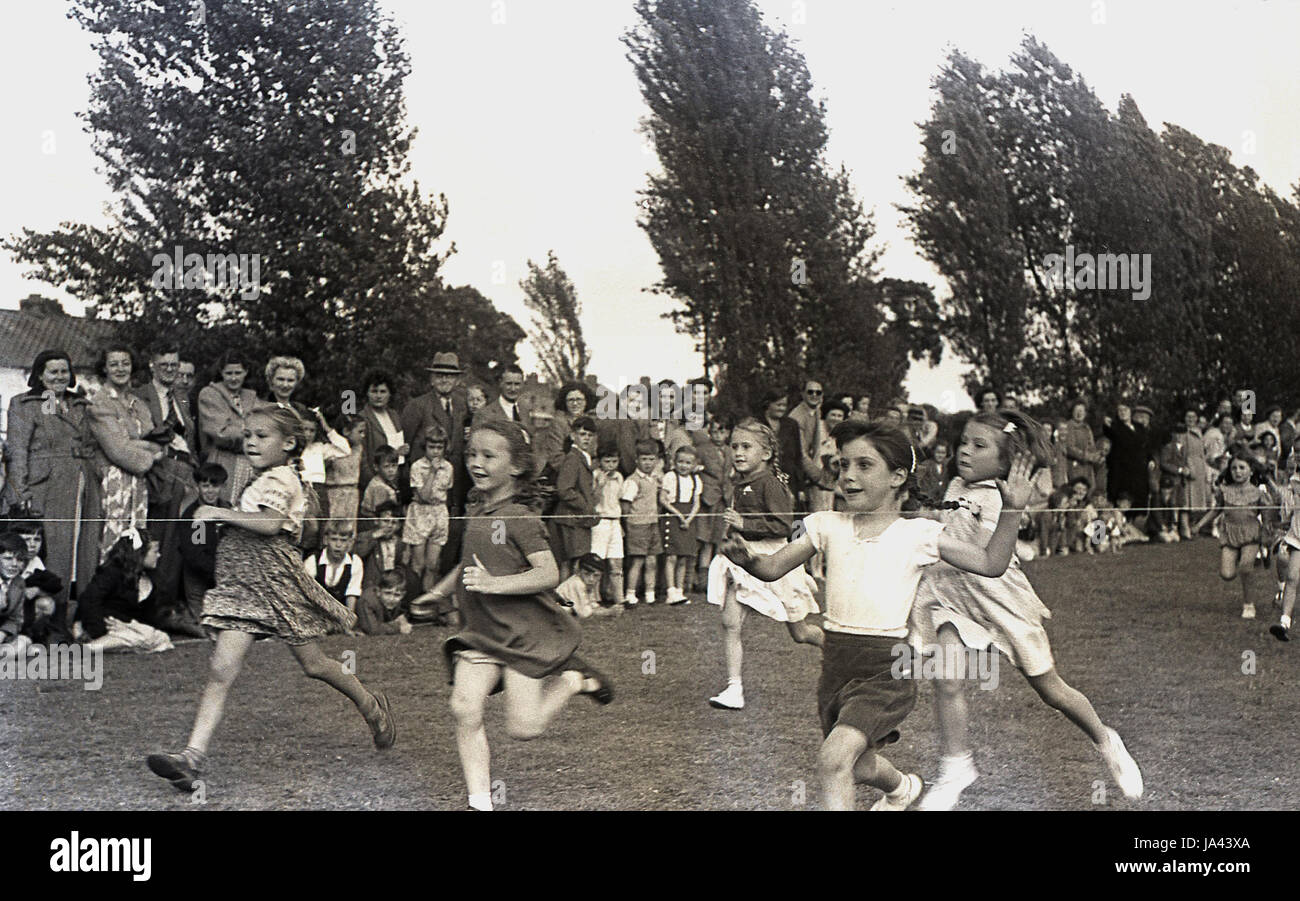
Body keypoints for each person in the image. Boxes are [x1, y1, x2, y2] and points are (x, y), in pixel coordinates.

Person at [721, 418, 1035, 809]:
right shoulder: (824, 525)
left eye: (864, 466)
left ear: (897, 477)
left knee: (833, 759)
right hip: (835, 671)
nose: (848, 476)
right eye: (843, 466)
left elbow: (990, 562)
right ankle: (903, 788)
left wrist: (1013, 510)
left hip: (886, 672)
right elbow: (771, 569)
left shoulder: (919, 534)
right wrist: (746, 558)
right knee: (859, 765)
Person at [146, 404, 394, 793]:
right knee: (220, 670)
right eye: (247, 436)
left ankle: (370, 705)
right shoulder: (260, 476)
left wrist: (217, 512)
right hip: (244, 586)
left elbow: (270, 523)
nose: (251, 442)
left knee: (315, 664)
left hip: (276, 584)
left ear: (289, 443)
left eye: (262, 436)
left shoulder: (283, 478)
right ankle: (191, 758)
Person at [914, 410, 1143, 809]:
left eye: (978, 446)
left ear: (1005, 463)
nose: (965, 451)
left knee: (1051, 689)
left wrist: (1001, 511)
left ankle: (1106, 739)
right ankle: (956, 766)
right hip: (951, 594)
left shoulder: (1000, 498)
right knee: (947, 677)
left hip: (999, 597)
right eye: (964, 442)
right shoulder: (954, 482)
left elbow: (987, 554)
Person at [421, 419, 613, 811]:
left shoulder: (522, 518)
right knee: (463, 706)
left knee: (524, 728)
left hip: (524, 634)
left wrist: (493, 584)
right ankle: (480, 802)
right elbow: (469, 563)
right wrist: (438, 592)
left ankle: (574, 681)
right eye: (472, 453)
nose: (476, 462)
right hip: (481, 631)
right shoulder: (477, 507)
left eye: (489, 456)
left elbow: (548, 573)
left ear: (515, 467)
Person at [706, 419, 821, 711]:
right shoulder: (739, 482)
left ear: (767, 453)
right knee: (730, 622)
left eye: (747, 446)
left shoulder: (771, 483)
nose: (739, 453)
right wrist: (731, 538)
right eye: (734, 446)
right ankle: (734, 688)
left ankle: (844, 656)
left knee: (801, 632)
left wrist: (745, 523)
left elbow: (784, 524)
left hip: (774, 560)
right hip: (743, 560)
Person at [5, 350, 103, 622]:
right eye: (53, 371)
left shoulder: (81, 405)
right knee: (54, 553)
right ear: (39, 374)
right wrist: (19, 494)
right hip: (46, 486)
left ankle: (84, 618)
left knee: (85, 551)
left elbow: (93, 446)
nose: (60, 377)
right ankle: (50, 621)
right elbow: (17, 452)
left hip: (83, 483)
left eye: (64, 371)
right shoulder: (25, 404)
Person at [89, 345, 164, 563]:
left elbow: (157, 441)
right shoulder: (100, 402)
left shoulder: (138, 403)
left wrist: (138, 446)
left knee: (136, 539)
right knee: (113, 542)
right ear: (104, 369)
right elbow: (118, 451)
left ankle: (130, 593)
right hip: (113, 481)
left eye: (125, 363)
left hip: (139, 483)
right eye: (113, 364)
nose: (120, 369)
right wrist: (150, 452)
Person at [1198, 453, 1276, 620]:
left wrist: (1267, 538)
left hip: (1251, 534)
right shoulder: (1224, 491)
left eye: (1242, 468)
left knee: (1246, 568)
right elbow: (1215, 510)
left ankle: (1249, 604)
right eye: (1234, 468)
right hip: (1230, 535)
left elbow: (1268, 518)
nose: (1237, 471)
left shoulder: (1258, 493)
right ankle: (1243, 558)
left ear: (1251, 471)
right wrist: (1199, 525)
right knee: (1227, 575)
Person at [75, 531, 174, 653]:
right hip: (105, 622)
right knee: (152, 638)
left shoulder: (152, 577)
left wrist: (130, 626)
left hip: (128, 627)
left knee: (158, 637)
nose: (158, 555)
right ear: (140, 554)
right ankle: (92, 646)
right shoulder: (112, 572)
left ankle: (96, 646)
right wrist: (99, 629)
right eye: (154, 552)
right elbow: (89, 599)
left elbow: (150, 616)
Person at [197, 351, 259, 505]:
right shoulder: (210, 394)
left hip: (250, 465)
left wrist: (238, 428)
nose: (233, 378)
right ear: (221, 373)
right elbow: (221, 433)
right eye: (228, 373)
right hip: (223, 461)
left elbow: (262, 425)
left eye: (238, 373)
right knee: (222, 506)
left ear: (246, 372)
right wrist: (253, 436)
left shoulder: (251, 397)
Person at [549, 416, 599, 580]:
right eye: (582, 434)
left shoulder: (583, 457)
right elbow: (564, 489)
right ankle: (566, 601)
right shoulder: (573, 458)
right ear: (572, 435)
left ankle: (567, 602)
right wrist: (584, 505)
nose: (586, 438)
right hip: (571, 519)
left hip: (576, 519)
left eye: (589, 435)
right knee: (572, 563)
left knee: (572, 562)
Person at [405, 429, 454, 590]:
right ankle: (413, 597)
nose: (435, 451)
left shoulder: (448, 467)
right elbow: (424, 496)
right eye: (431, 447)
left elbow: (447, 491)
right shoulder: (417, 467)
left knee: (432, 565)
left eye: (439, 447)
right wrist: (432, 471)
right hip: (420, 513)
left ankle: (426, 601)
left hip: (439, 512)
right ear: (425, 446)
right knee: (418, 564)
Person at [179, 463, 228, 621]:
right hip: (199, 582)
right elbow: (195, 557)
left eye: (215, 486)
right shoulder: (195, 516)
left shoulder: (226, 510)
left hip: (222, 579)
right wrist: (218, 573)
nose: (210, 491)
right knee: (207, 625)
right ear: (197, 486)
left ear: (222, 486)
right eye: (205, 486)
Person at [620, 439, 664, 605]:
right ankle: (631, 593)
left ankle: (650, 593)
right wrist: (627, 525)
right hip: (638, 525)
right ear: (637, 460)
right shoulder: (632, 481)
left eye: (651, 459)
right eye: (644, 459)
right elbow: (625, 506)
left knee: (652, 561)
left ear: (657, 460)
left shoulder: (654, 479)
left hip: (652, 523)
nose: (647, 463)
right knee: (637, 561)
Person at [660, 444, 701, 605]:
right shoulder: (669, 477)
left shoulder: (696, 480)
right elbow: (663, 499)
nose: (684, 466)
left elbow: (696, 504)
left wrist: (689, 519)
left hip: (688, 520)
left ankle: (679, 591)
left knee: (684, 557)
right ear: (674, 462)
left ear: (694, 464)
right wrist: (678, 515)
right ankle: (670, 591)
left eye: (688, 463)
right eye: (681, 462)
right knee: (671, 556)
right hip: (673, 518)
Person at [694, 415, 732, 580]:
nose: (718, 436)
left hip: (725, 498)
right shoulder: (702, 449)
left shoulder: (731, 451)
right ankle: (702, 577)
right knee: (706, 539)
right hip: (708, 499)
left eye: (722, 432)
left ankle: (718, 576)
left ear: (728, 433)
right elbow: (694, 468)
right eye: (714, 432)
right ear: (709, 433)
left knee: (721, 538)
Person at [358, 369, 408, 492]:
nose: (379, 396)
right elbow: (361, 455)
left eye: (383, 391)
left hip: (395, 477)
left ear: (390, 393)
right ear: (367, 393)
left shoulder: (394, 415)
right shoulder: (362, 418)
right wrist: (373, 483)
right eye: (374, 391)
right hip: (374, 481)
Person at [590, 445, 626, 606]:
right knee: (597, 561)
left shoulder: (619, 476)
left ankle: (619, 598)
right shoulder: (595, 475)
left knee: (616, 562)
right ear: (600, 462)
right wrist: (600, 485)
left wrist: (621, 524)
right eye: (607, 461)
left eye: (614, 461)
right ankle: (593, 597)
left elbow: (619, 501)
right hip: (600, 521)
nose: (611, 465)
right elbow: (592, 502)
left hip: (615, 522)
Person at [304, 520, 365, 612]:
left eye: (343, 540)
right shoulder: (313, 561)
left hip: (340, 612)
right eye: (334, 539)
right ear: (326, 540)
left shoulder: (355, 562)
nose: (338, 545)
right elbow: (307, 593)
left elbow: (351, 594)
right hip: (315, 609)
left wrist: (349, 619)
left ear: (350, 542)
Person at [325, 414, 367, 534]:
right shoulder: (332, 449)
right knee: (333, 528)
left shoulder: (359, 448)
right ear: (346, 431)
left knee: (350, 530)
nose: (363, 436)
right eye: (360, 432)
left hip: (352, 494)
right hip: (335, 493)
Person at [0, 533, 31, 657]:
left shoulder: (19, 583)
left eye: (19, 560)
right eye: (8, 558)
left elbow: (15, 619)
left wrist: (2, 634)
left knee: (25, 642)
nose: (14, 564)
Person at [356, 569, 413, 636]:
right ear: (378, 592)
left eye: (397, 595)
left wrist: (402, 620)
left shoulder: (392, 602)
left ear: (403, 595)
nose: (391, 599)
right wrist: (398, 627)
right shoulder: (367, 601)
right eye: (387, 593)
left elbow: (399, 615)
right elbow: (372, 630)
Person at [555, 553, 607, 619]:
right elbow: (584, 613)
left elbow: (592, 604)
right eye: (586, 574)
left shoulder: (586, 583)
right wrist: (607, 612)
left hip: (564, 608)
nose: (591, 579)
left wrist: (604, 610)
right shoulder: (577, 583)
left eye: (596, 575)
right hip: (553, 610)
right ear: (579, 572)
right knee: (567, 609)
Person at [361, 446, 401, 522]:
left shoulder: (386, 482)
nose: (391, 470)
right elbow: (382, 515)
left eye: (394, 466)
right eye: (386, 466)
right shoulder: (379, 487)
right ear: (376, 467)